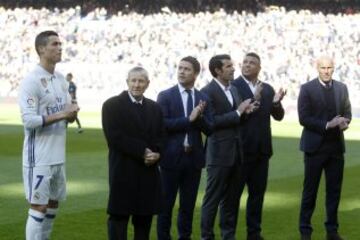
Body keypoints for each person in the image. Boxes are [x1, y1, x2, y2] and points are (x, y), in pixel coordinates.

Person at [18, 30, 79, 240]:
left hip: (58, 156)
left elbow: (66, 115)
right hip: (39, 158)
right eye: (55, 44)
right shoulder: (31, 81)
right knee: (39, 206)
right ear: (41, 49)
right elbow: (29, 121)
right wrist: (63, 114)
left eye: (60, 44)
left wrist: (71, 114)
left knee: (53, 204)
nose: (60, 48)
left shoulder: (61, 80)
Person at [102, 66, 165, 240]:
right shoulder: (111, 105)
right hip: (123, 171)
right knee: (118, 220)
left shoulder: (155, 108)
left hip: (148, 172)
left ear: (148, 84)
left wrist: (158, 154)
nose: (137, 85)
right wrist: (143, 151)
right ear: (127, 82)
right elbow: (114, 137)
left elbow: (161, 137)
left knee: (144, 222)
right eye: (133, 80)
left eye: (141, 81)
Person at [200, 54, 257, 240]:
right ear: (217, 70)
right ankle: (207, 236)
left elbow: (238, 118)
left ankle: (228, 236)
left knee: (232, 200)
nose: (233, 68)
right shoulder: (207, 91)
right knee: (212, 199)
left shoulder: (233, 89)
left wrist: (246, 112)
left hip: (236, 154)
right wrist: (238, 112)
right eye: (228, 66)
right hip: (218, 154)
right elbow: (211, 122)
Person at [156, 56, 213, 240]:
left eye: (187, 69)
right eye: (180, 68)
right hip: (170, 159)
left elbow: (210, 129)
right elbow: (162, 124)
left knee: (187, 206)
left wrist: (200, 117)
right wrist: (189, 119)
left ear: (196, 73)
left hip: (193, 159)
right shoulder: (165, 95)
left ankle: (185, 237)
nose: (181, 71)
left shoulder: (203, 98)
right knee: (165, 205)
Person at [232, 52, 286, 240]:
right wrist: (254, 98)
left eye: (252, 62)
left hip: (262, 152)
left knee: (257, 196)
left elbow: (278, 116)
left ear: (259, 67)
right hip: (240, 152)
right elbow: (235, 117)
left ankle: (254, 233)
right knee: (232, 197)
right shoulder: (233, 87)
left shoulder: (268, 89)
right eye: (245, 62)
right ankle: (228, 234)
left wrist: (277, 103)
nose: (247, 65)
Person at [298, 56, 351, 240]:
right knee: (310, 192)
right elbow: (303, 118)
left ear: (334, 68)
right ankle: (305, 232)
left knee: (334, 192)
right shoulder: (307, 88)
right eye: (323, 68)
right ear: (317, 68)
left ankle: (332, 231)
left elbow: (347, 112)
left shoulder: (342, 88)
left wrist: (345, 122)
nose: (326, 71)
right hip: (315, 149)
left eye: (329, 67)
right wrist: (328, 124)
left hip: (336, 148)